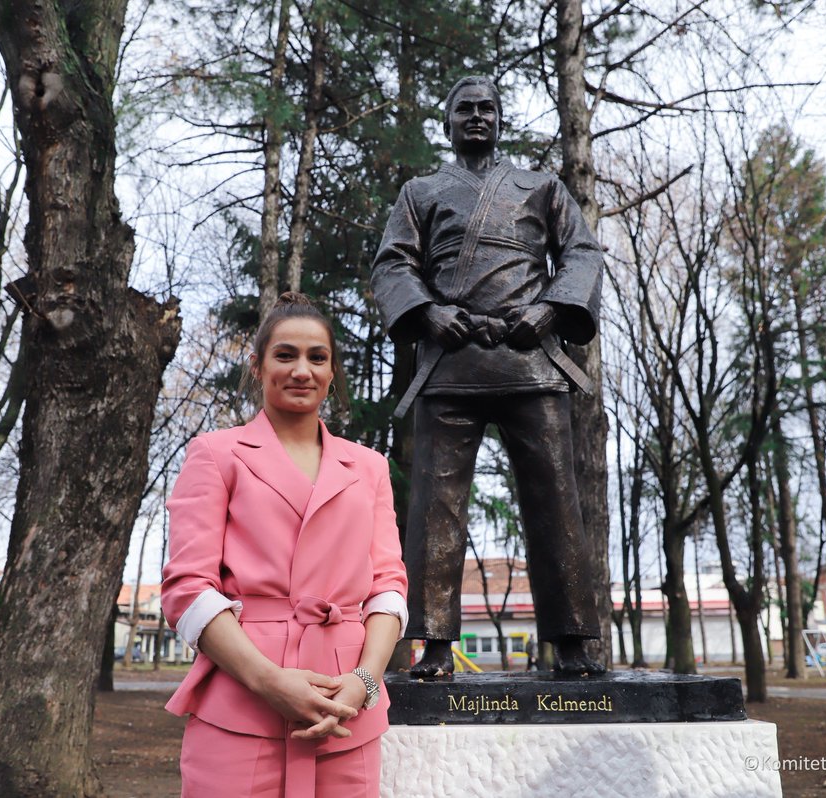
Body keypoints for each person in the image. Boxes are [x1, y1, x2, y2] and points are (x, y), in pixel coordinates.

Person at [371, 75, 605, 677]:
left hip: (530, 360)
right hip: (452, 363)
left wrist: (549, 309)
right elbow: (393, 263)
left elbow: (580, 253)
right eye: (464, 109)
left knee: (555, 498)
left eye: (487, 109)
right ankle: (434, 644)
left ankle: (574, 639)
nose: (476, 117)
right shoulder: (420, 192)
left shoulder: (541, 186)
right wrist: (428, 312)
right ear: (446, 121)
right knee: (434, 508)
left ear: (501, 119)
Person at [162, 293, 408, 798]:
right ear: (257, 366)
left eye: (317, 357)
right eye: (285, 354)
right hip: (241, 700)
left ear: (333, 370)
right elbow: (188, 588)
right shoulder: (215, 455)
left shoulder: (369, 468)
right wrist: (269, 682)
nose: (302, 370)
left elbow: (387, 588)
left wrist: (363, 681)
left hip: (346, 711)